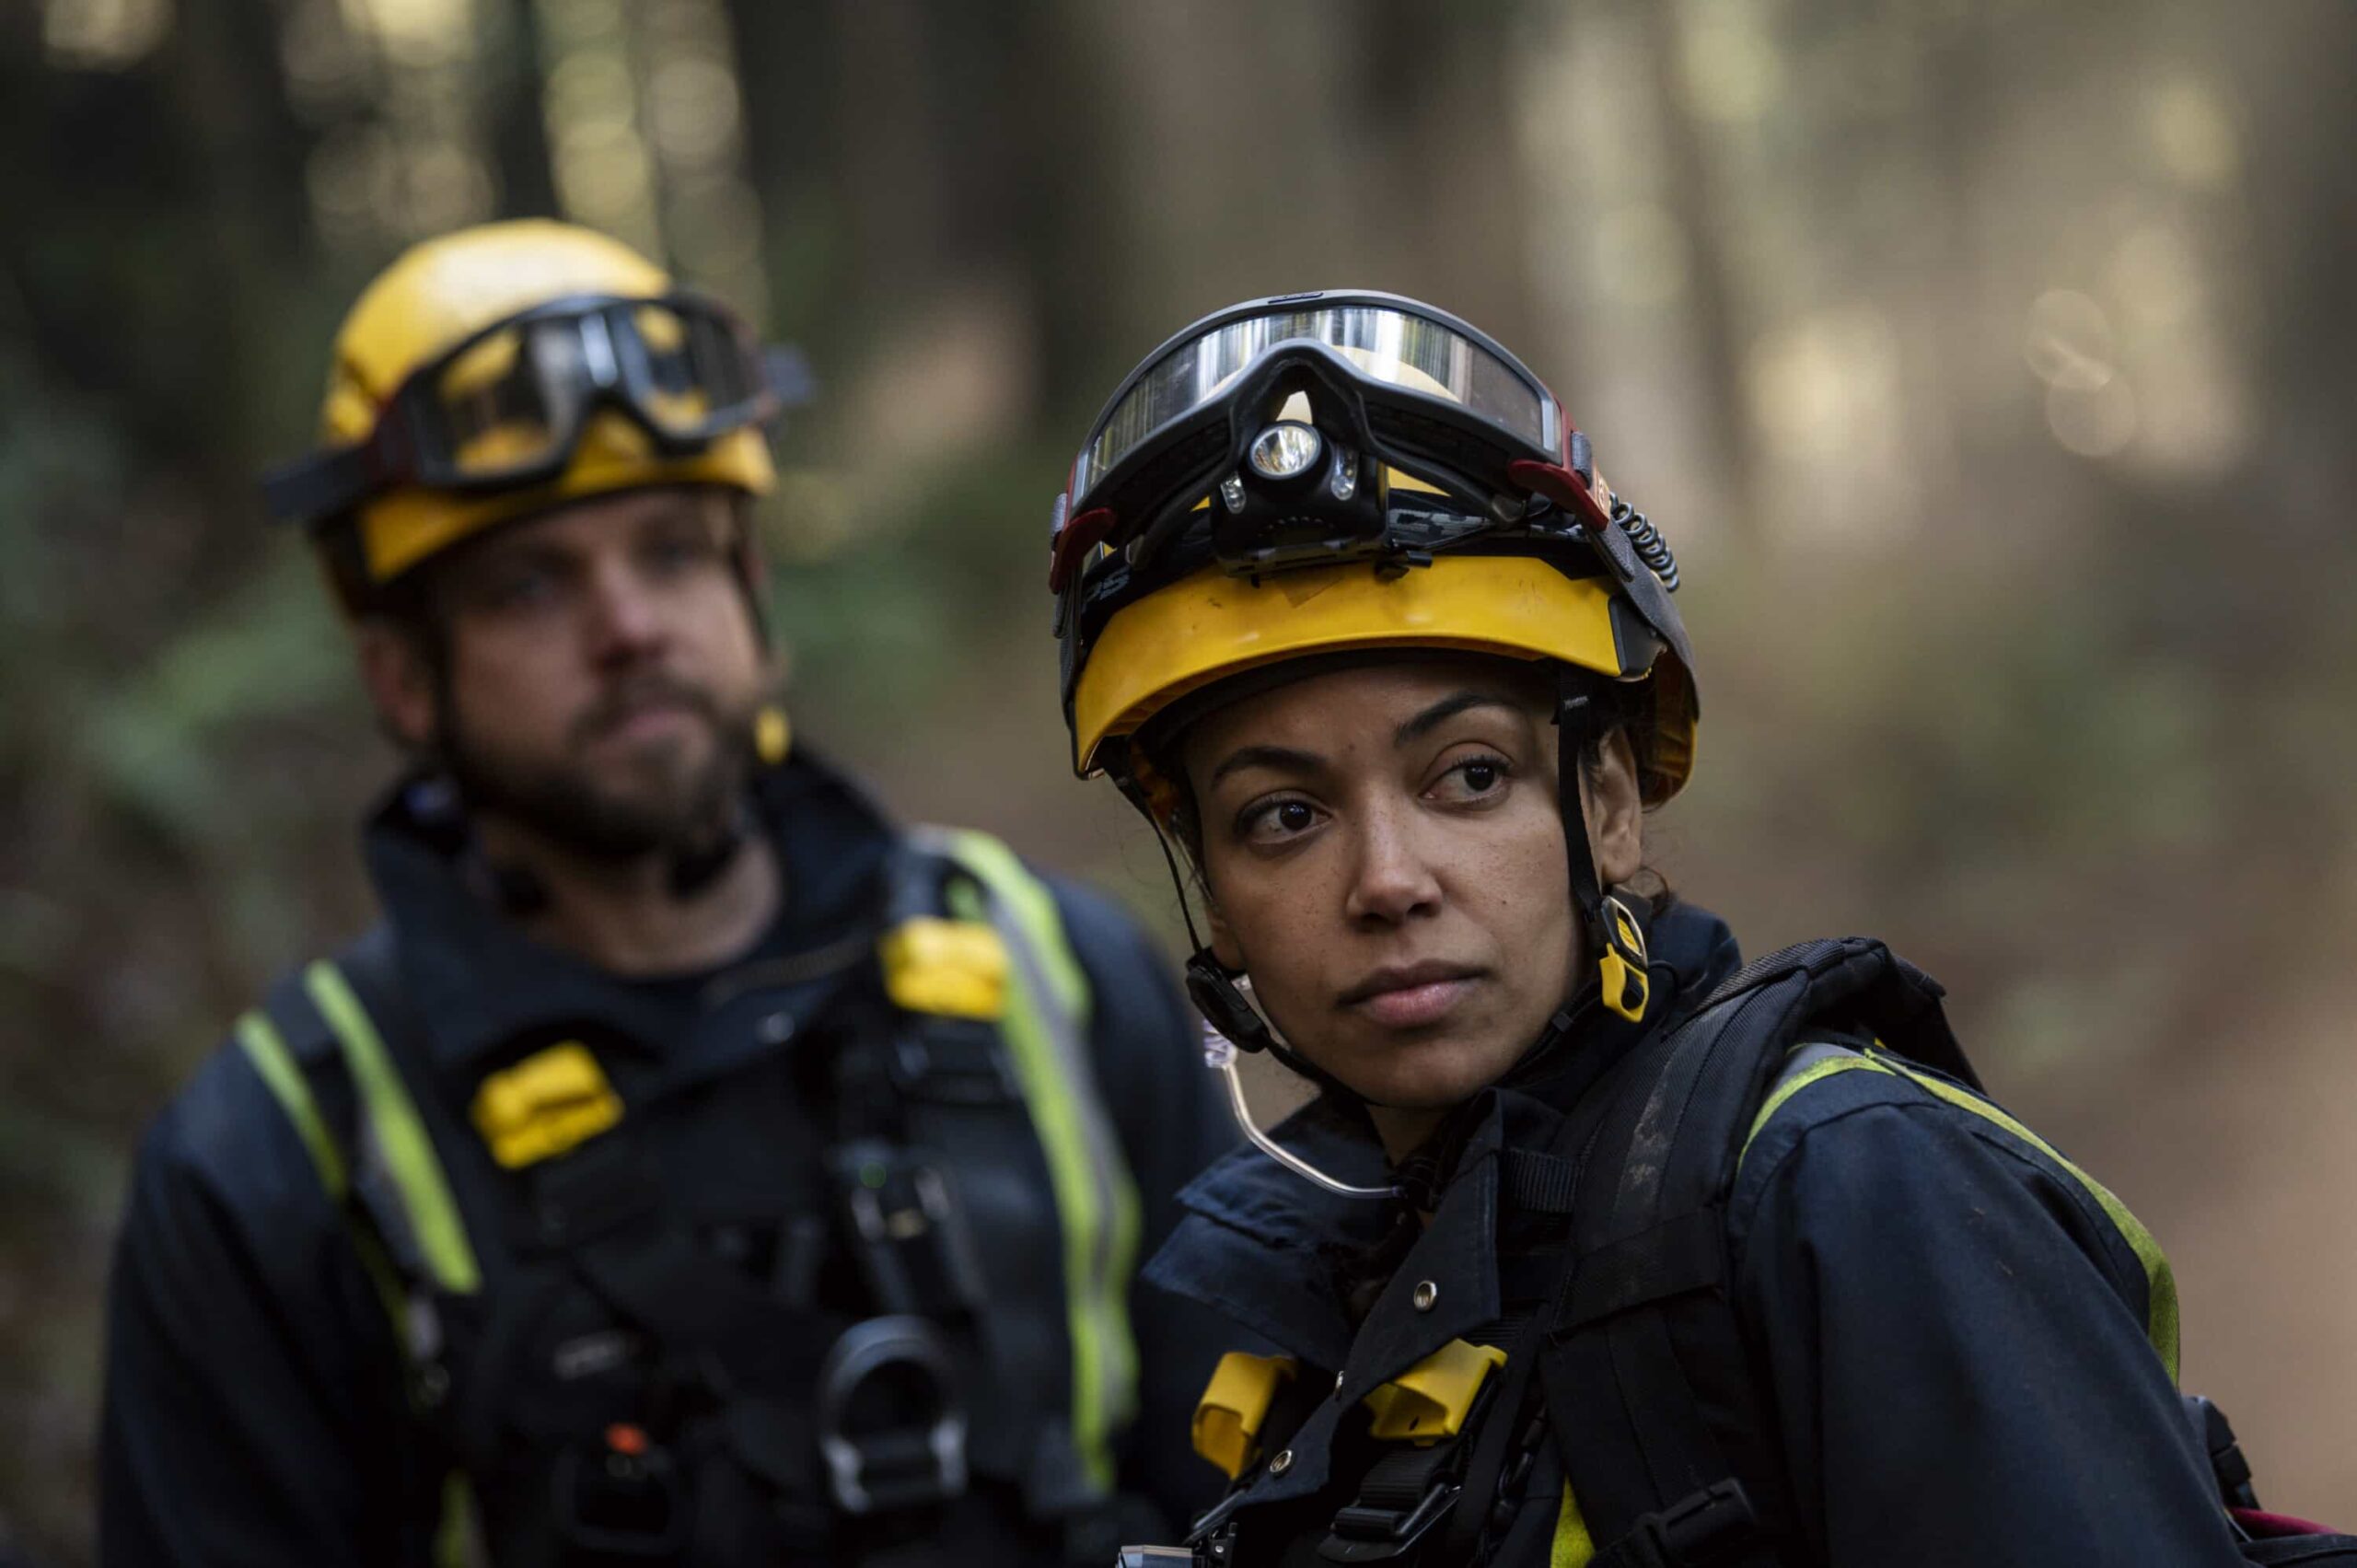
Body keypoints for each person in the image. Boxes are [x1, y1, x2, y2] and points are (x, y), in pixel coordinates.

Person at [1041, 292, 2281, 1567]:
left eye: (1468, 776)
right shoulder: (1310, 1283)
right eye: (1284, 816)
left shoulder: (1850, 1190)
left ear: (1610, 804)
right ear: (1213, 894)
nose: (1389, 881)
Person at [98, 219, 1233, 1568]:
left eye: (674, 550)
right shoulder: (276, 1173)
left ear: (753, 586)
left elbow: (1256, 1498)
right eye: (530, 584)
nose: (629, 623)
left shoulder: (1062, 981)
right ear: (402, 675)